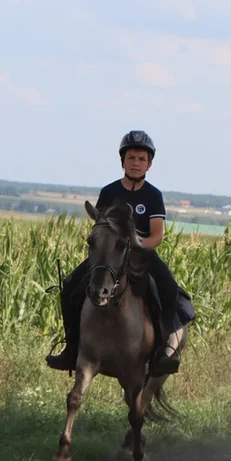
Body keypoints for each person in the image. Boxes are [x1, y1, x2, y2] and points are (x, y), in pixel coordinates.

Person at [46, 130, 183, 375]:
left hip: (141, 254)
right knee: (70, 284)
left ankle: (162, 351)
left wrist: (136, 249)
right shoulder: (109, 192)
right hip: (109, 256)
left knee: (169, 287)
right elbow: (100, 227)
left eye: (142, 159)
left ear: (149, 164)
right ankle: (71, 347)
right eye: (131, 158)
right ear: (123, 161)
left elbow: (157, 236)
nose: (136, 163)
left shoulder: (153, 195)